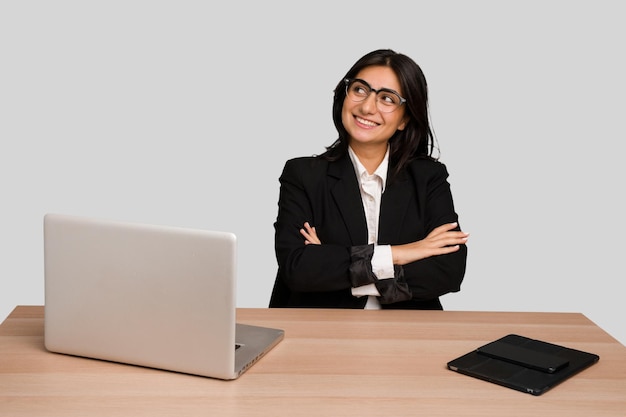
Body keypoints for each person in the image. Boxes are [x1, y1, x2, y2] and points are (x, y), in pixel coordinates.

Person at [269, 49, 468, 310]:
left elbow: (448, 271)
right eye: (360, 90)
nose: (367, 107)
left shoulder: (428, 178)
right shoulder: (303, 174)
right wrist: (403, 252)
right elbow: (298, 268)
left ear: (404, 119)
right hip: (321, 330)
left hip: (409, 332)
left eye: (387, 98)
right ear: (344, 96)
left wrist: (338, 264)